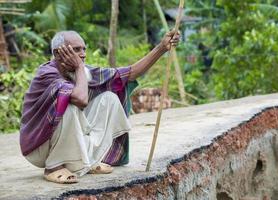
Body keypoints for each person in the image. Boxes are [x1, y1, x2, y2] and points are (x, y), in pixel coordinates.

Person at [19, 30, 180, 184]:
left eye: (83, 49)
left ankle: (88, 161)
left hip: (62, 137)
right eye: (76, 50)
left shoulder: (81, 71)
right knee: (67, 105)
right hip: (39, 147)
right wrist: (80, 68)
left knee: (109, 99)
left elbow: (128, 74)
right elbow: (80, 99)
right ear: (57, 53)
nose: (82, 54)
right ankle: (55, 166)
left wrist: (161, 48)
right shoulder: (47, 73)